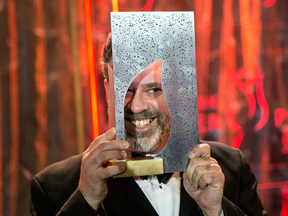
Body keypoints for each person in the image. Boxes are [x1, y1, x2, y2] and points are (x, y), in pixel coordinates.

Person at [30, 34, 267, 216]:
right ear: (106, 90)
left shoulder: (231, 169)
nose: (135, 106)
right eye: (126, 90)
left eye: (153, 89)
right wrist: (85, 201)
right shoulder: (54, 188)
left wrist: (216, 211)